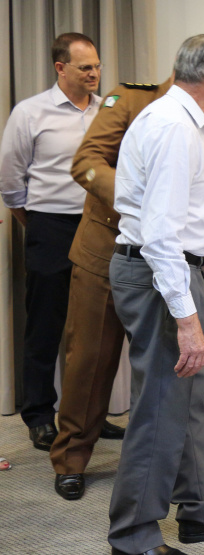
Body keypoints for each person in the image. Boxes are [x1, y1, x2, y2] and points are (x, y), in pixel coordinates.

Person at [107, 34, 204, 554]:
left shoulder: (190, 124)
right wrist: (185, 315)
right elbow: (159, 234)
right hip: (156, 272)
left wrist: (203, 295)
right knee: (160, 408)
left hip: (179, 270)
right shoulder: (174, 127)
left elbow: (185, 230)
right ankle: (133, 538)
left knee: (191, 399)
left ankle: (199, 510)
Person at [50, 74, 175, 502]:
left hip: (168, 261)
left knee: (169, 369)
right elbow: (87, 161)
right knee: (90, 360)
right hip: (107, 250)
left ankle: (164, 466)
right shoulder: (130, 100)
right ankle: (71, 460)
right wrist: (138, 200)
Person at [0, 32, 101, 452]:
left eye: (97, 65)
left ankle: (87, 415)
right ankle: (40, 415)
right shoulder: (30, 112)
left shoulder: (107, 112)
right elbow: (10, 177)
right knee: (45, 325)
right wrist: (34, 220)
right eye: (85, 67)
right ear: (60, 68)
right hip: (48, 225)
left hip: (98, 226)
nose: (95, 73)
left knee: (94, 327)